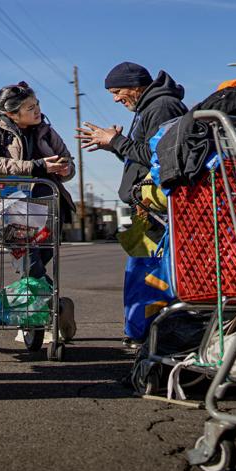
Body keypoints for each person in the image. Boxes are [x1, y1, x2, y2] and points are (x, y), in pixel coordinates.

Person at [75, 62, 186, 349]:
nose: (115, 98)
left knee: (150, 277)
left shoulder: (162, 107)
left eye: (117, 91)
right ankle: (140, 332)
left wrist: (117, 141)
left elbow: (164, 159)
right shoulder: (149, 108)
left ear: (136, 86)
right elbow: (144, 159)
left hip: (158, 211)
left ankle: (149, 334)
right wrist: (115, 145)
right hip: (147, 210)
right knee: (141, 274)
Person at [0, 83, 77, 344]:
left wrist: (64, 169)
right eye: (30, 107)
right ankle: (48, 312)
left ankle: (44, 310)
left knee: (39, 258)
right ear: (11, 113)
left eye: (37, 105)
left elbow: (67, 161)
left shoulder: (45, 130)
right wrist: (36, 166)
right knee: (28, 260)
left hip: (47, 203)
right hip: (6, 205)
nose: (37, 111)